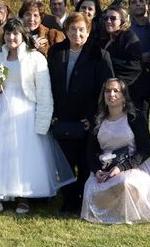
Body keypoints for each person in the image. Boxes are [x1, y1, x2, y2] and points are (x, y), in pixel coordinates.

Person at [0, 19, 75, 215]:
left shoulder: (35, 58)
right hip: (0, 111)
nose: (11, 37)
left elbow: (44, 92)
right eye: (8, 34)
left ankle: (23, 198)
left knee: (23, 154)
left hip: (26, 112)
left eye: (16, 34)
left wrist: (42, 120)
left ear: (23, 36)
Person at [81, 78, 150, 224]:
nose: (111, 94)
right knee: (91, 186)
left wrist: (121, 168)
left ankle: (129, 210)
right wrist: (97, 170)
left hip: (133, 165)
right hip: (106, 166)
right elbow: (91, 151)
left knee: (125, 183)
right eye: (107, 91)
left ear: (124, 95)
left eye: (116, 91)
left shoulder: (135, 117)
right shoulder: (98, 119)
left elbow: (145, 150)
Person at [48, 12, 114, 212]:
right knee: (64, 162)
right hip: (62, 116)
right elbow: (48, 84)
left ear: (88, 31)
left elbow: (107, 89)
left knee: (85, 162)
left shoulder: (100, 55)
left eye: (81, 29)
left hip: (87, 118)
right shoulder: (56, 52)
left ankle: (83, 197)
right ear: (66, 31)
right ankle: (69, 199)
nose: (77, 33)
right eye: (73, 29)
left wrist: (93, 116)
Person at [99, 6, 143, 111]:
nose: (108, 21)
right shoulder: (104, 40)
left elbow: (134, 66)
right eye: (106, 18)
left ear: (122, 21)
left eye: (113, 18)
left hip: (128, 94)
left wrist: (114, 81)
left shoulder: (129, 37)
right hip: (108, 93)